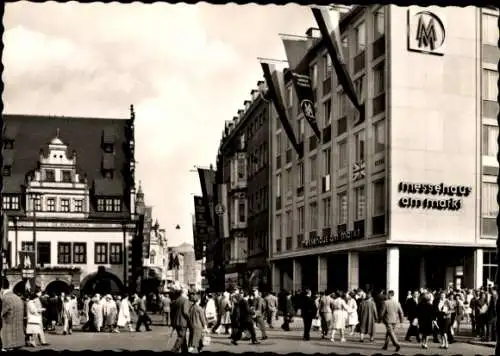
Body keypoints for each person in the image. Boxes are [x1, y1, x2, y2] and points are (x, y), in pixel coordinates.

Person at [0, 278, 25, 351]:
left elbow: (2, 313)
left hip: (8, 339)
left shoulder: (5, 298)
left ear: (1, 288)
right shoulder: (17, 298)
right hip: (18, 339)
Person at [171, 288, 191, 353]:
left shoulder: (177, 300)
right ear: (184, 293)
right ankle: (174, 350)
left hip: (176, 321)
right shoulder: (185, 300)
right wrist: (189, 318)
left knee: (183, 337)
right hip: (183, 321)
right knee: (181, 337)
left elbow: (173, 312)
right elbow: (185, 312)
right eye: (187, 292)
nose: (188, 293)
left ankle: (185, 351)